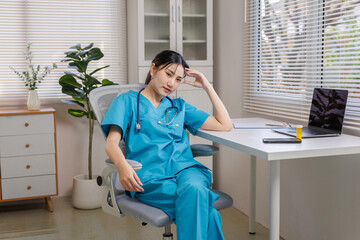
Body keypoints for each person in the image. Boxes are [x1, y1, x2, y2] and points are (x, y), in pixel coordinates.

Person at [101, 50, 233, 240]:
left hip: (187, 171)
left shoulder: (179, 106)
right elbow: (111, 143)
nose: (172, 83)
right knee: (205, 209)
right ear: (153, 68)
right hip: (152, 178)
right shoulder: (126, 101)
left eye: (178, 79)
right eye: (169, 74)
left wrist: (207, 85)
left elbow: (225, 125)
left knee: (195, 191)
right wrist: (122, 166)